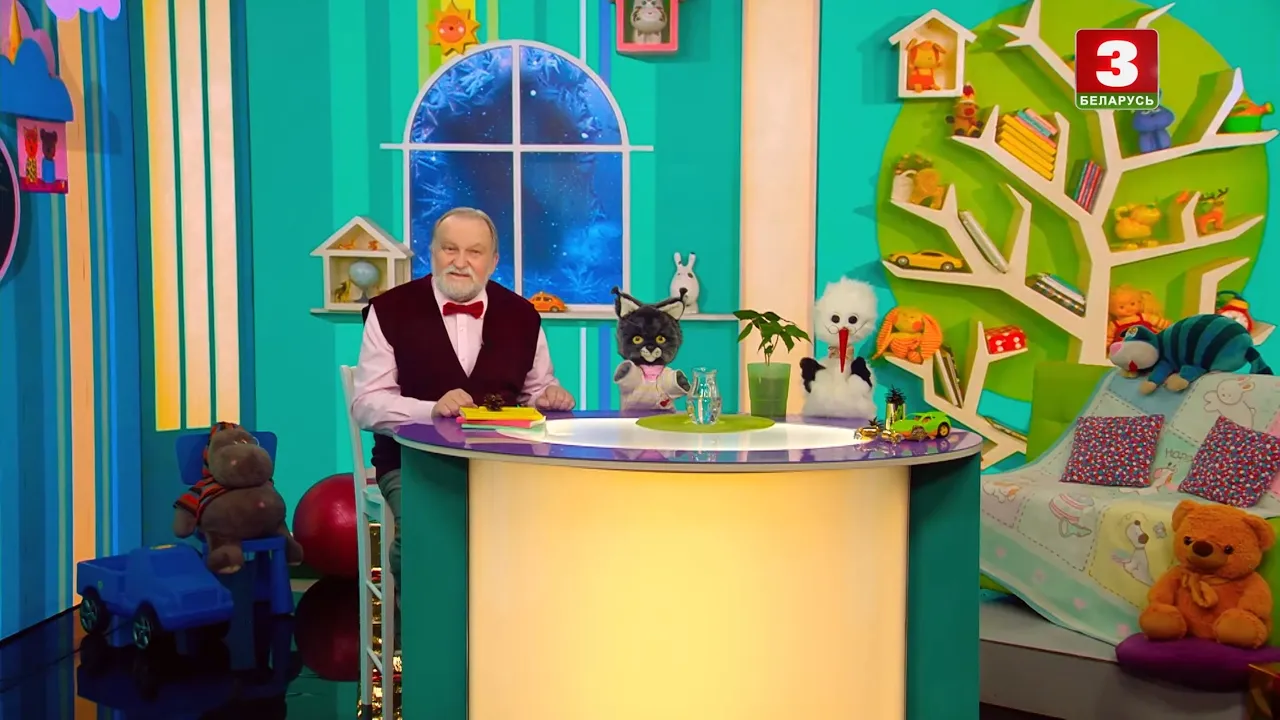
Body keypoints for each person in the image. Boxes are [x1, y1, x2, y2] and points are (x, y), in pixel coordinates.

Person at [350, 207, 577, 644]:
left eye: (474, 252)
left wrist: (551, 397)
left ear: (493, 261)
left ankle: (513, 643)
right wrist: (429, 409)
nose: (460, 261)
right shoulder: (389, 310)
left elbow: (536, 391)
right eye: (449, 249)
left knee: (548, 526)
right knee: (430, 533)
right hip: (413, 464)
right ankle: (427, 648)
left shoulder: (523, 315)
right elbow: (366, 405)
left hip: (504, 462)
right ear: (431, 252)